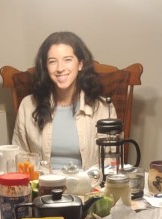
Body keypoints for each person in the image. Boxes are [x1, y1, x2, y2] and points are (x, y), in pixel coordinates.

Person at [12, 31, 114, 170]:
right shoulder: (28, 105)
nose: (60, 68)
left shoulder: (103, 108)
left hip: (89, 188)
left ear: (80, 64)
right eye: (52, 61)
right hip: (42, 188)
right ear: (45, 67)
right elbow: (19, 157)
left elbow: (111, 163)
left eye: (67, 59)